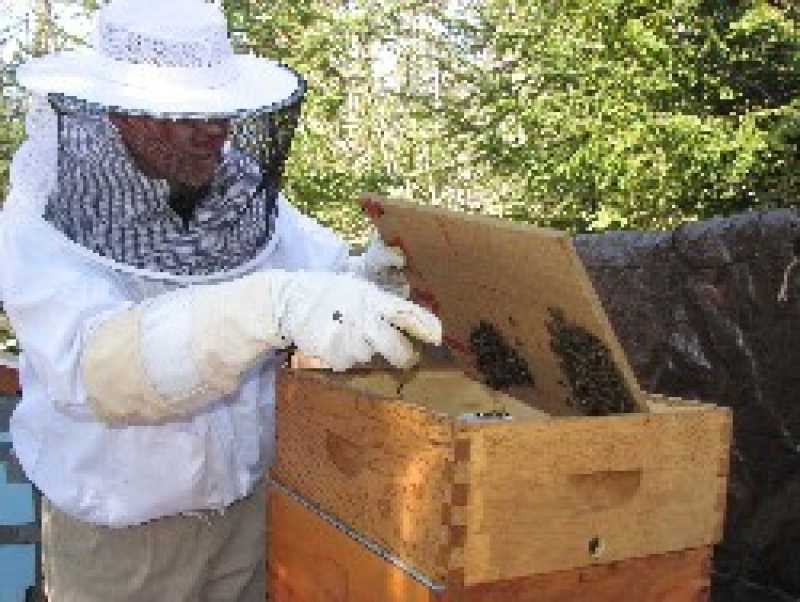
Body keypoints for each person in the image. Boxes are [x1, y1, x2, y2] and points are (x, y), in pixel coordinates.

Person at [0, 1, 441, 600]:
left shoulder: (233, 184)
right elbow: (98, 370)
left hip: (246, 519)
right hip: (120, 545)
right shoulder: (43, 215)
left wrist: (367, 281)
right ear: (126, 114)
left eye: (220, 110)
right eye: (190, 114)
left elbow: (317, 275)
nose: (216, 130)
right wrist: (269, 307)